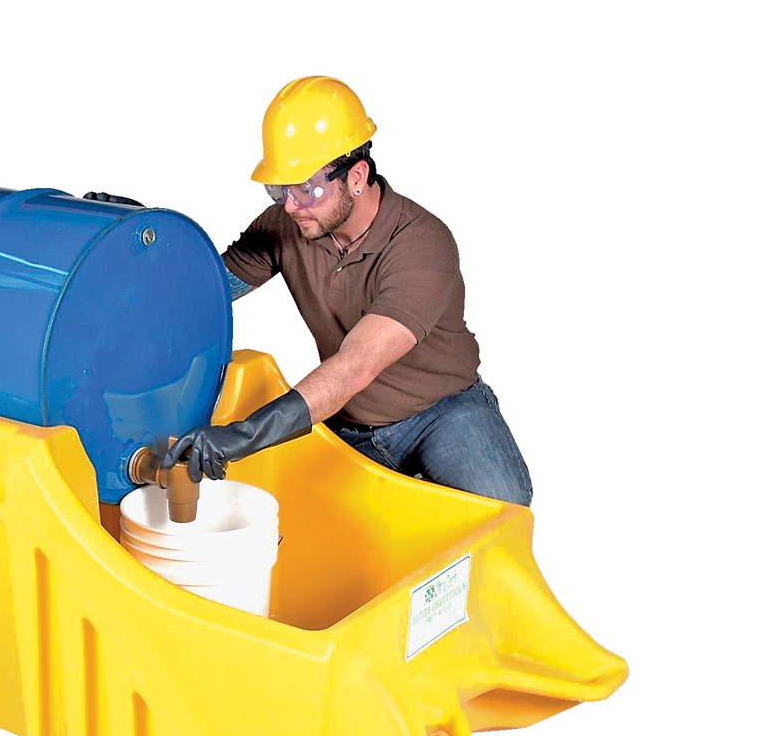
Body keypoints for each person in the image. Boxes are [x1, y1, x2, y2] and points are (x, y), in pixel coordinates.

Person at [162, 76, 533, 506]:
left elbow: (356, 366)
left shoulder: (422, 244)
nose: (291, 205)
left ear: (356, 176)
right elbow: (205, 290)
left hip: (441, 412)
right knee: (290, 518)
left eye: (307, 188)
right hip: (348, 418)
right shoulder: (288, 225)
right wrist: (136, 229)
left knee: (500, 503)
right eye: (280, 188)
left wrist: (242, 436)